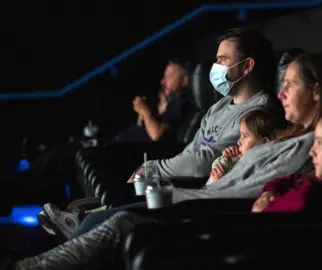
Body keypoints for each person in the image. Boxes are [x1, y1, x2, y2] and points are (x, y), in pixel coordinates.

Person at [9, 105, 322, 270]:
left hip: (233, 228)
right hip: (226, 213)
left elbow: (294, 201)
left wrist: (264, 201)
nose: (283, 91)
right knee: (111, 216)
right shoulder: (308, 167)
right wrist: (268, 190)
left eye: (291, 84)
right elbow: (280, 183)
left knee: (119, 224)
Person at [55, 51, 322, 241]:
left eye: (290, 85)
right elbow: (230, 174)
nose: (282, 93)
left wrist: (173, 185)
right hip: (203, 194)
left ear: (316, 91)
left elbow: (246, 191)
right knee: (111, 209)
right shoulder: (271, 129)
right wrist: (223, 170)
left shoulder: (301, 142)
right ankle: (74, 227)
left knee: (116, 219)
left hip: (208, 212)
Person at [39, 27, 282, 239]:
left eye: (222, 60)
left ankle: (78, 225)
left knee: (104, 213)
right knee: (104, 195)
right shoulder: (221, 104)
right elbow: (193, 149)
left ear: (247, 66)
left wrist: (155, 169)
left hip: (198, 192)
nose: (215, 68)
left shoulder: (258, 114)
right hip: (181, 180)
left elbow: (202, 164)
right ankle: (78, 220)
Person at [114, 59, 194, 143]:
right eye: (164, 77)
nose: (163, 81)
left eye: (169, 76)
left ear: (184, 81)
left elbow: (156, 135)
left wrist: (144, 110)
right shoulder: (163, 102)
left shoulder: (180, 104)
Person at [206, 109, 284, 185]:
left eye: (245, 136)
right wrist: (226, 161)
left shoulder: (260, 168)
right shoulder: (238, 158)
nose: (239, 142)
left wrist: (220, 181)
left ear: (264, 142)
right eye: (240, 136)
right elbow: (214, 167)